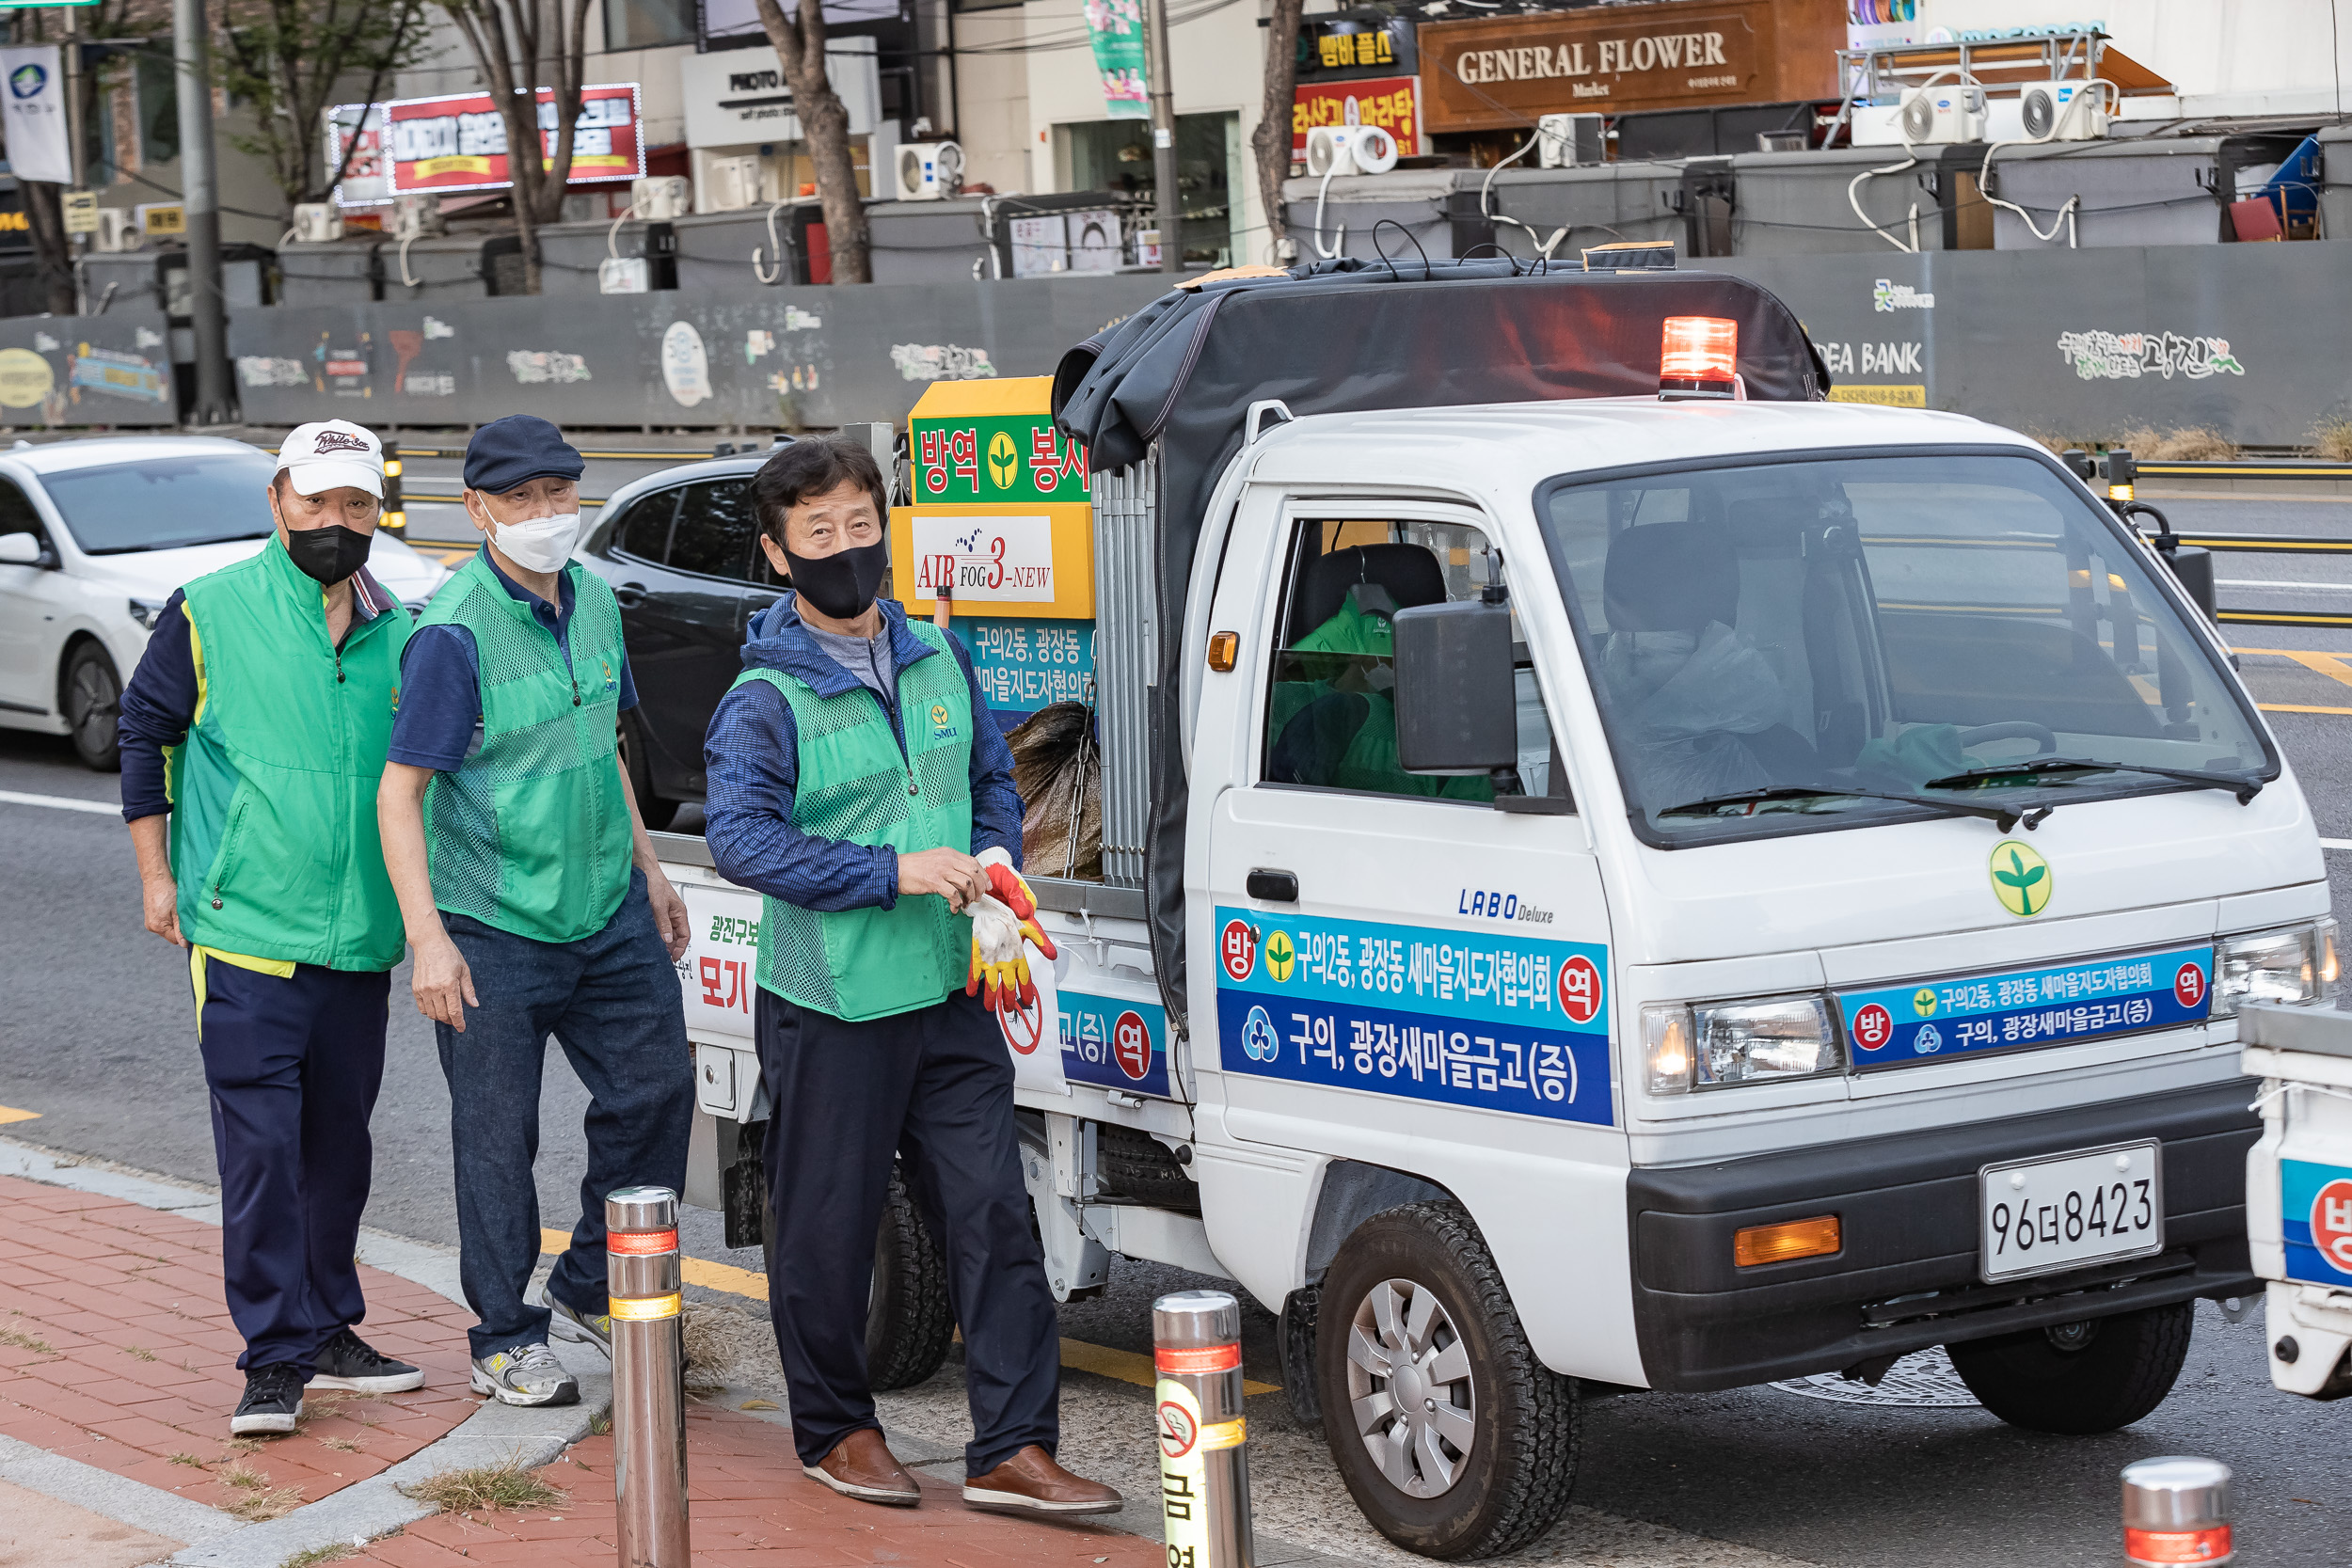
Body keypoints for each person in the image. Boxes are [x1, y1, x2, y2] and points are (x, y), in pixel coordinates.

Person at [702, 436, 1120, 1516]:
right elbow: (743, 840)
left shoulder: (938, 657)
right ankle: (835, 1430)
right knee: (828, 1226)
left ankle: (1012, 1448)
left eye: (859, 524)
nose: (847, 548)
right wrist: (890, 871)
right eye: (820, 534)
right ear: (778, 552)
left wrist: (990, 864)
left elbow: (990, 776)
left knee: (993, 1212)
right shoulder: (762, 697)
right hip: (832, 999)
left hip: (949, 990)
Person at [375, 415, 693, 1408]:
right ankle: (504, 1334)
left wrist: (651, 867)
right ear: (478, 510)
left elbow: (600, 741)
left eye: (559, 491)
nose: (547, 513)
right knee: (496, 1136)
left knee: (658, 1091)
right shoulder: (452, 633)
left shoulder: (596, 599)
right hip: (493, 926)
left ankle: (593, 1281)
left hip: (606, 910)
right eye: (521, 499)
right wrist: (428, 939)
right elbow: (399, 793)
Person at [117, 420, 426, 1434]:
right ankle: (274, 1356)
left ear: (378, 511)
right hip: (245, 932)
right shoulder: (209, 611)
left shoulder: (404, 628)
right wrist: (158, 877)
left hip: (360, 941)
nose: (335, 522)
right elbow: (143, 734)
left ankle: (331, 1323)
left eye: (356, 505)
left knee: (338, 1147)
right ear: (278, 500)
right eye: (316, 501)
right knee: (260, 1151)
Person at [1597, 520, 1796, 805]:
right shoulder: (1589, 734)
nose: (1633, 671)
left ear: (1705, 654)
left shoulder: (1767, 754)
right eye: (1632, 652)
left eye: (1649, 655)